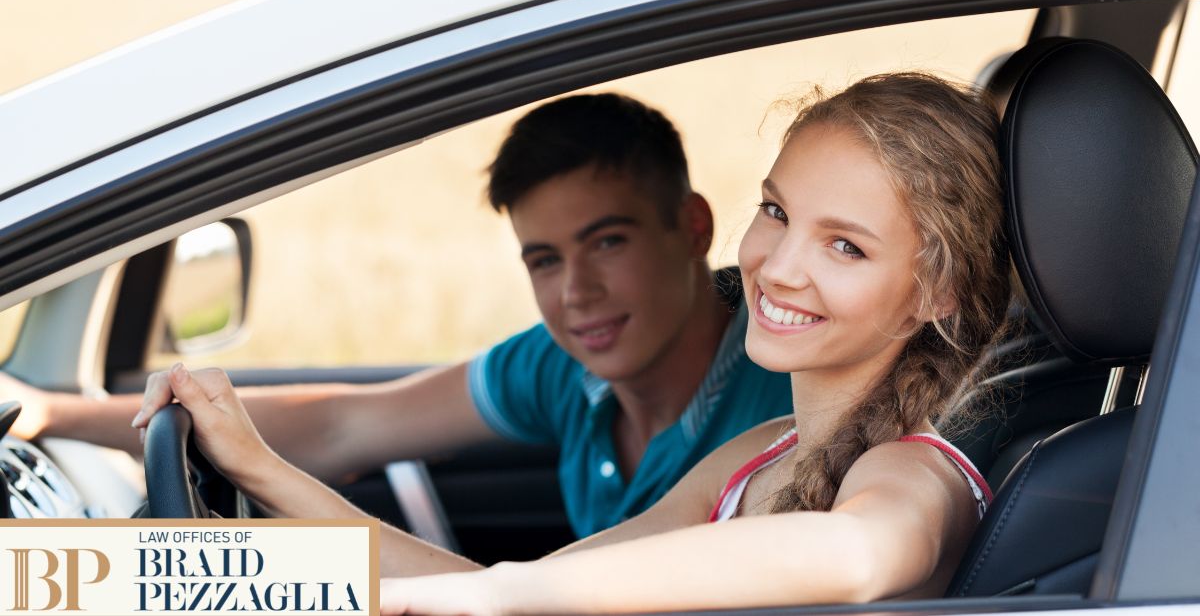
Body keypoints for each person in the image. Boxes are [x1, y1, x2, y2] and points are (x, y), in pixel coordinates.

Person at [134, 71, 1012, 613]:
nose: (777, 269)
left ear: (934, 292)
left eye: (845, 246)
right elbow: (505, 583)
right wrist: (259, 470)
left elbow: (861, 554)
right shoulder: (764, 454)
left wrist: (504, 594)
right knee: (83, 584)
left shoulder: (910, 466)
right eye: (777, 212)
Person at [3, 93, 792, 537]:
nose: (574, 292)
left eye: (607, 243)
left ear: (692, 227)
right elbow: (351, 425)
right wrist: (53, 414)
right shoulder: (563, 366)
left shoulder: (782, 400)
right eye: (543, 260)